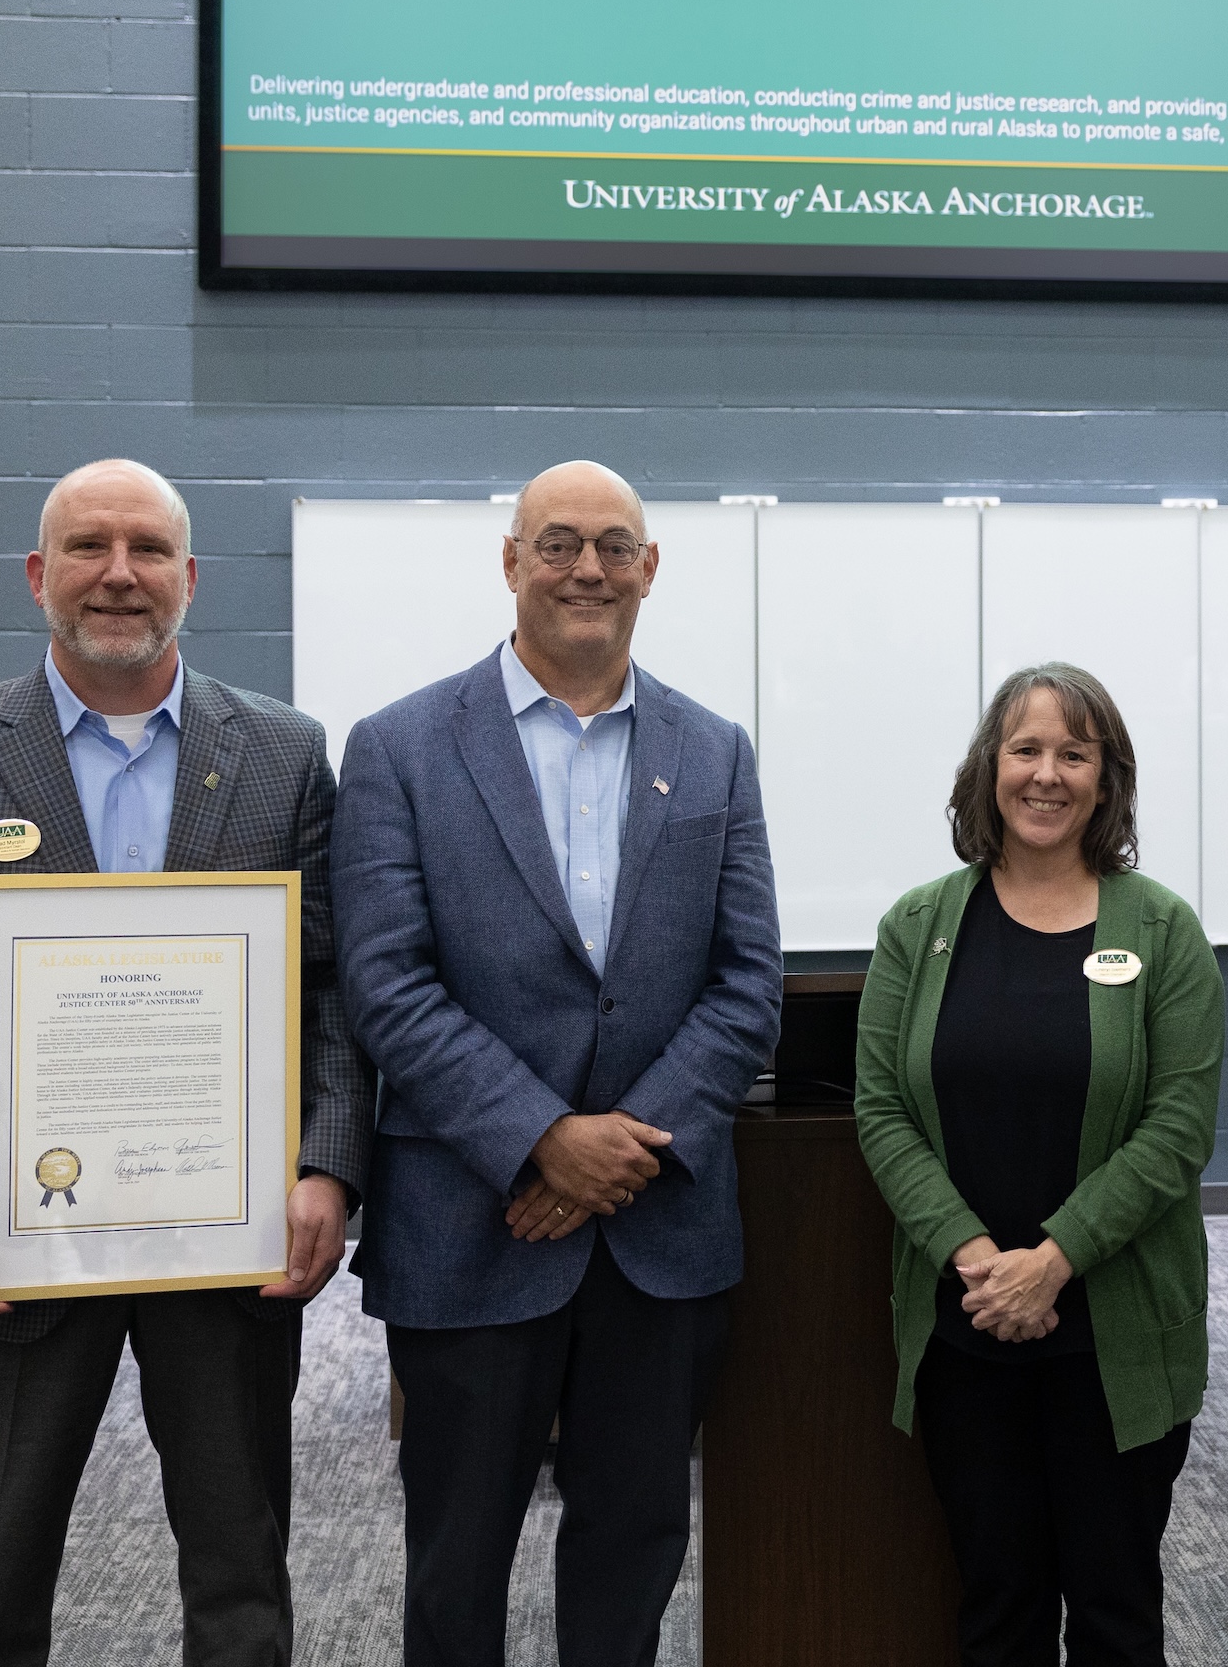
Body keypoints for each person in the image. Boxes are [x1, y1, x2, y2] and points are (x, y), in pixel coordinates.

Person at [0, 458, 373, 1667]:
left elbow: (331, 986)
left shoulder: (283, 755)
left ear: (191, 577)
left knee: (242, 1574)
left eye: (146, 549)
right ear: (38, 575)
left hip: (230, 1248)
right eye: (86, 547)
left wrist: (327, 1166)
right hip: (7, 1247)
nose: (118, 574)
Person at [332, 460, 781, 1667]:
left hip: (659, 1233)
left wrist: (614, 1153)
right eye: (560, 543)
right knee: (457, 1557)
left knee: (635, 1544)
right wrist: (543, 1137)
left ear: (649, 568)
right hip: (472, 1221)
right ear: (512, 560)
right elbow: (386, 982)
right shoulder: (400, 748)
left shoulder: (716, 750)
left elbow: (747, 984)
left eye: (615, 546)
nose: (589, 568)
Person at [854, 662, 1224, 1667]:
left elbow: (1179, 1125)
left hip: (1117, 1329)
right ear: (990, 768)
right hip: (968, 1331)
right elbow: (882, 1109)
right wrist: (980, 1259)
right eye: (1026, 749)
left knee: (1114, 1606)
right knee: (997, 1600)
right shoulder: (919, 925)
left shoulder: (1163, 930)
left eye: (1074, 752)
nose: (1047, 774)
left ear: (1107, 779)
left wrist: (1050, 1260)